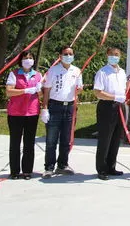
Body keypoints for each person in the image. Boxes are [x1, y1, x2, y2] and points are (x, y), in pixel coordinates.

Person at [93, 47, 130, 180]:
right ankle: (102, 169)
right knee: (105, 138)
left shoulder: (122, 72)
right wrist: (114, 97)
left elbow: (123, 90)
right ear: (107, 55)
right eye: (111, 54)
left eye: (116, 54)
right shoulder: (103, 72)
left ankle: (111, 167)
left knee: (116, 138)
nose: (114, 57)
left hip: (120, 107)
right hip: (107, 106)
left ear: (120, 56)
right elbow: (97, 92)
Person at [41, 45, 83, 179]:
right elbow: (46, 89)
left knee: (66, 139)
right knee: (51, 139)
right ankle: (49, 167)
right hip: (55, 106)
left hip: (69, 107)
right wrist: (45, 108)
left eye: (70, 54)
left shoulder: (76, 71)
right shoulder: (53, 70)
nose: (68, 56)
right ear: (60, 56)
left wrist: (79, 89)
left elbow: (79, 89)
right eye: (65, 54)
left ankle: (62, 165)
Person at [5, 50, 42, 180]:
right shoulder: (14, 74)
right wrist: (25, 90)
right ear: (21, 60)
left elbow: (41, 94)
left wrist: (39, 89)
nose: (28, 60)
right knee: (15, 142)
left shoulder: (37, 75)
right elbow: (9, 92)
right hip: (16, 113)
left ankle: (27, 171)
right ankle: (14, 171)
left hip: (32, 112)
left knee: (29, 142)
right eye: (25, 58)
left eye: (31, 57)